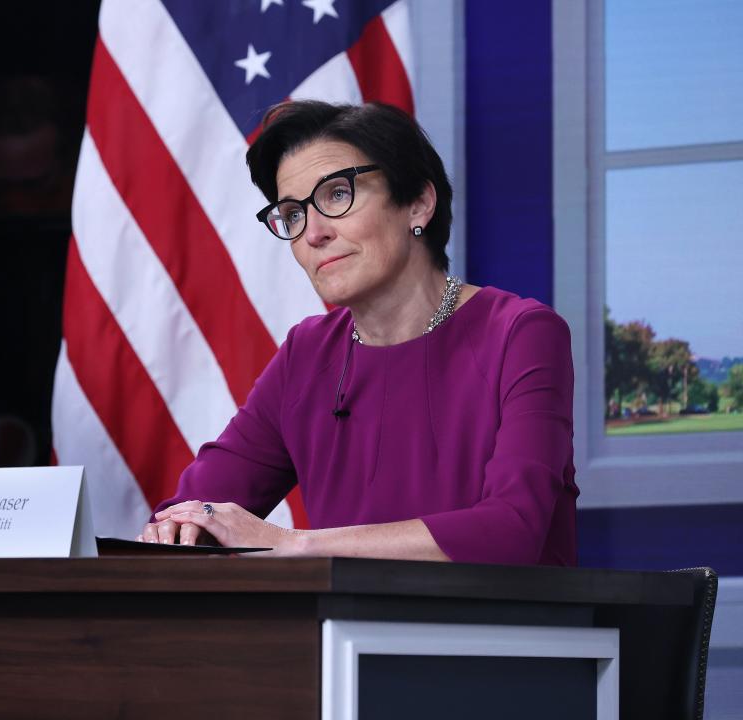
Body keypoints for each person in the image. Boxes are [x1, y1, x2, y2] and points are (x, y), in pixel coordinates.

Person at [139, 101, 579, 565]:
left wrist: (294, 543)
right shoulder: (306, 355)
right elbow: (191, 510)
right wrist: (187, 528)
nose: (313, 233)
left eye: (336, 195)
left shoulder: (522, 333)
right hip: (344, 634)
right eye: (292, 214)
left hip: (508, 631)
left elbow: (513, 529)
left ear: (419, 203)